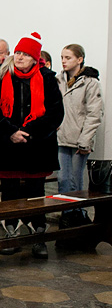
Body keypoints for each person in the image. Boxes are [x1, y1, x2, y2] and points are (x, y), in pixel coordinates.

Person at [0, 32, 64, 258]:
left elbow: (55, 113)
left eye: (26, 54)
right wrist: (10, 132)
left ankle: (38, 236)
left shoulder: (48, 79)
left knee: (35, 192)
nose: (20, 57)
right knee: (9, 192)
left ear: (35, 58)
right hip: (7, 145)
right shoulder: (1, 76)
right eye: (18, 53)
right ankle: (11, 234)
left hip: (36, 146)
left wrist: (29, 133)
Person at [56, 44, 103, 202]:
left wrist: (85, 140)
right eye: (62, 57)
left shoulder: (90, 82)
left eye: (68, 58)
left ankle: (77, 213)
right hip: (61, 137)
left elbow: (94, 113)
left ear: (79, 59)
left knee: (76, 181)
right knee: (62, 179)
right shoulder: (59, 80)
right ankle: (65, 212)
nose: (63, 61)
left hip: (79, 140)